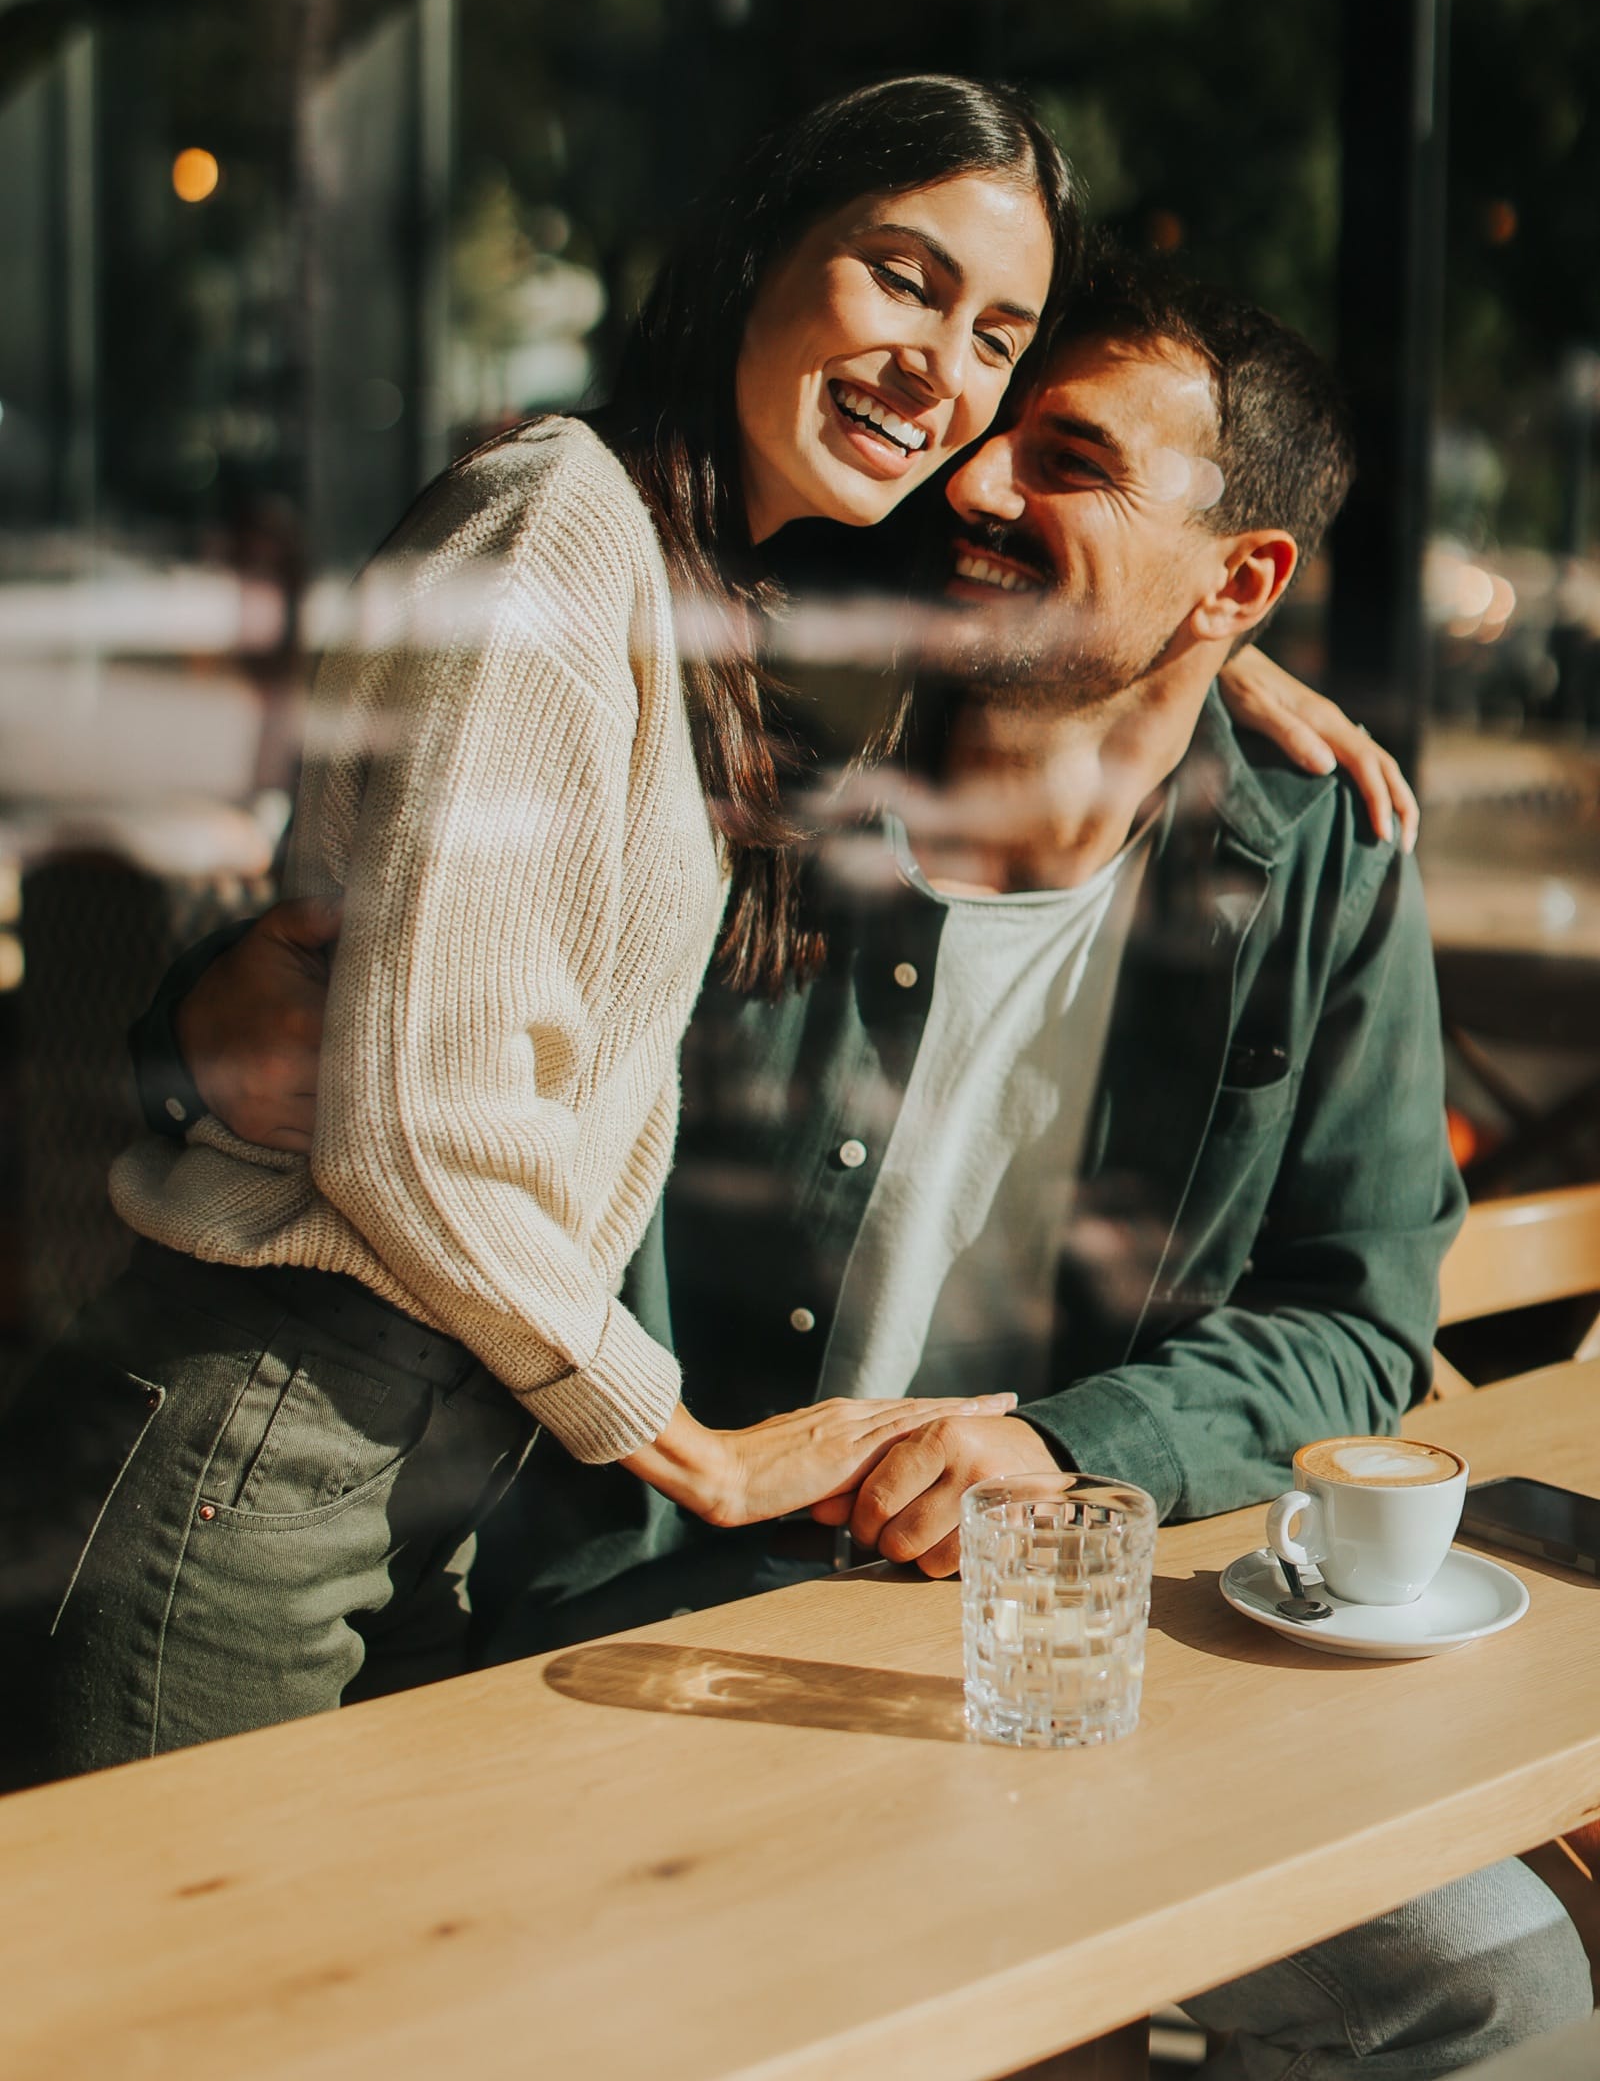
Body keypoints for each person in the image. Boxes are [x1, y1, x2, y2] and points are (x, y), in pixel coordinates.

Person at [159, 252, 1591, 2075]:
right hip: (661, 1599)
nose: (978, 486)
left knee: (1491, 1983)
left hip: (1080, 1640)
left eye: (1070, 462)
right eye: (994, 436)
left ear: (1242, 584)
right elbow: (371, 985)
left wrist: (1066, 1451)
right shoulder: (736, 750)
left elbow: (1351, 1309)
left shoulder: (1322, 852)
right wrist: (195, 1029)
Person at [0, 77, 1379, 1780]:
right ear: (758, 254)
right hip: (293, 1444)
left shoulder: (713, 603)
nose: (951, 388)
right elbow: (416, 1126)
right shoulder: (564, 533)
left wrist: (1196, 656)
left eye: (999, 340)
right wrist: (697, 1453)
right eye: (900, 277)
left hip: (425, 1469)